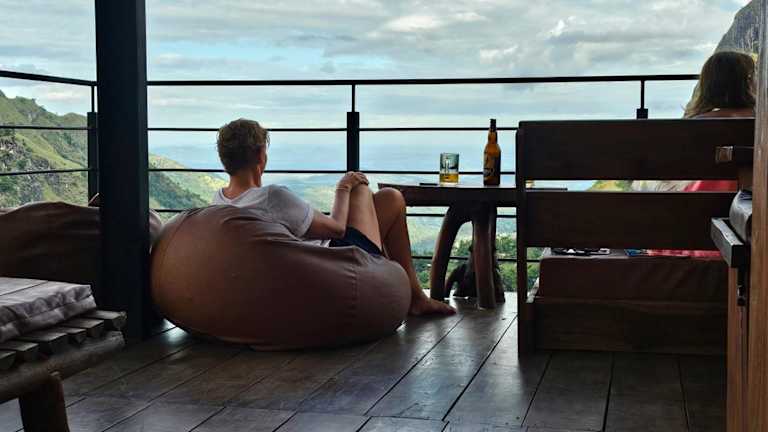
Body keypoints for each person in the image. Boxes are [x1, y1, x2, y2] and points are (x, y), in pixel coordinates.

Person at [211, 118, 455, 315]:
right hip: (338, 260)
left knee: (388, 199)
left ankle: (412, 295)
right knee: (370, 193)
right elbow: (337, 229)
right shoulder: (272, 198)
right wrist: (343, 187)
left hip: (304, 267)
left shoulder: (218, 201)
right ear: (260, 156)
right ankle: (413, 296)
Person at [650, 51, 755, 258]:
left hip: (698, 232)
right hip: (750, 233)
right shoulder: (761, 126)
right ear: (748, 83)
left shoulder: (694, 126)